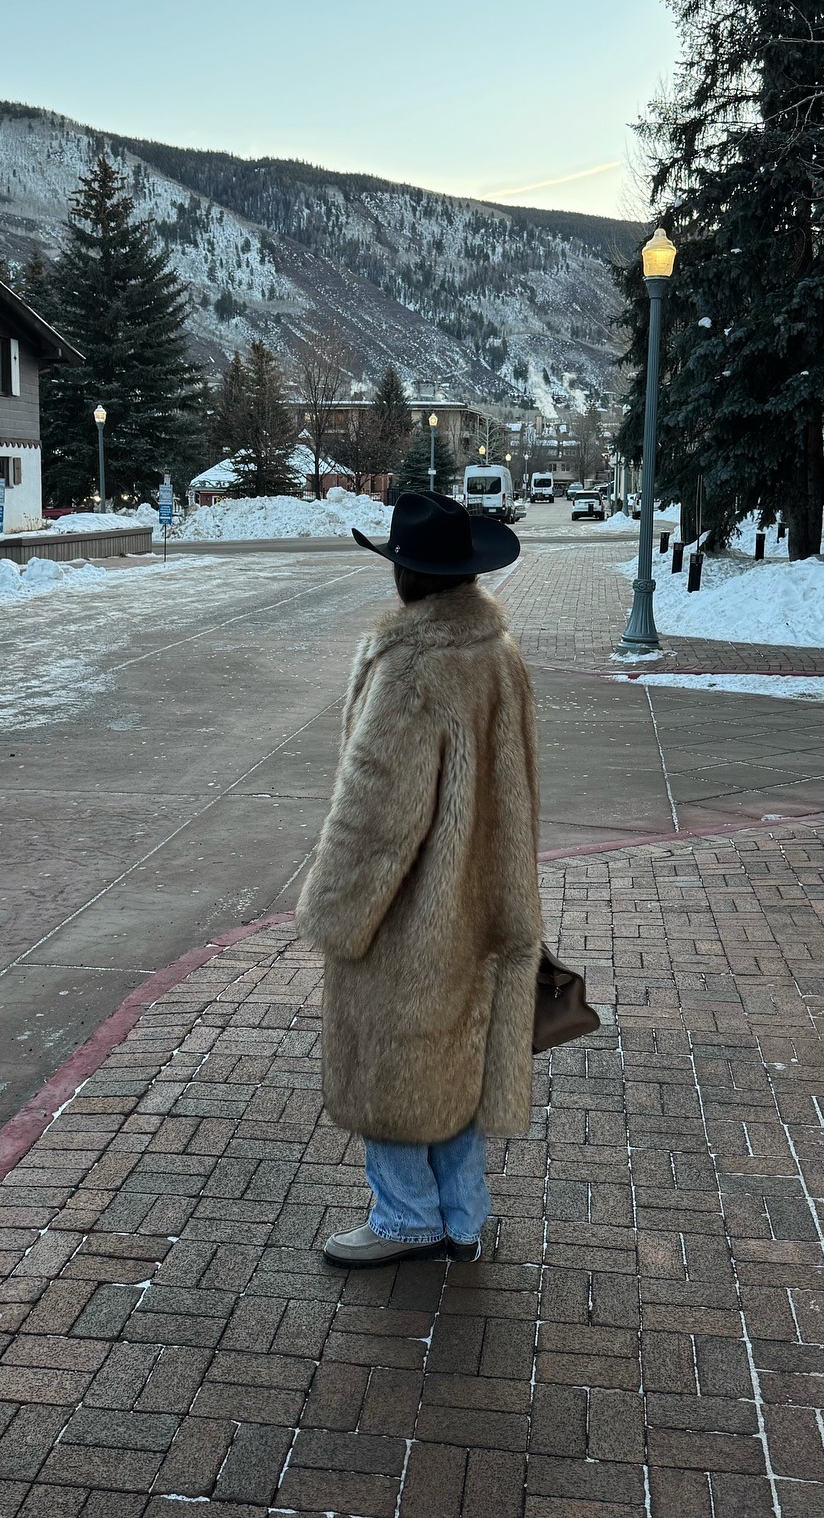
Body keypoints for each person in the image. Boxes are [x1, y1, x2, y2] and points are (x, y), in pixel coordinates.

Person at [296, 490, 544, 1266]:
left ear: (406, 573)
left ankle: (406, 1216)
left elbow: (377, 817)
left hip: (412, 914)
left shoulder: (413, 668)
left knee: (396, 1061)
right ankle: (463, 1214)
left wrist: (336, 913)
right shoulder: (496, 651)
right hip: (483, 900)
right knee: (456, 1056)